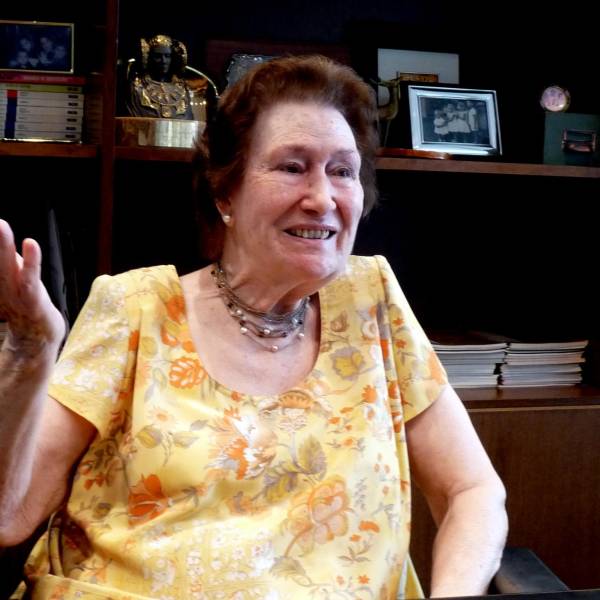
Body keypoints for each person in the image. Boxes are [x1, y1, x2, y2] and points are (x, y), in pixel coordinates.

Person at [0, 55, 507, 599]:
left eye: (343, 171)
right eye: (292, 167)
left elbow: (471, 490)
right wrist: (31, 349)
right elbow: (11, 514)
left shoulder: (371, 299)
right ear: (226, 192)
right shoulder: (134, 309)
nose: (322, 198)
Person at [126, 33, 194, 119]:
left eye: (167, 56)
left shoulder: (182, 90)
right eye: (158, 56)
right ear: (149, 58)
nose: (163, 61)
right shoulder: (137, 89)